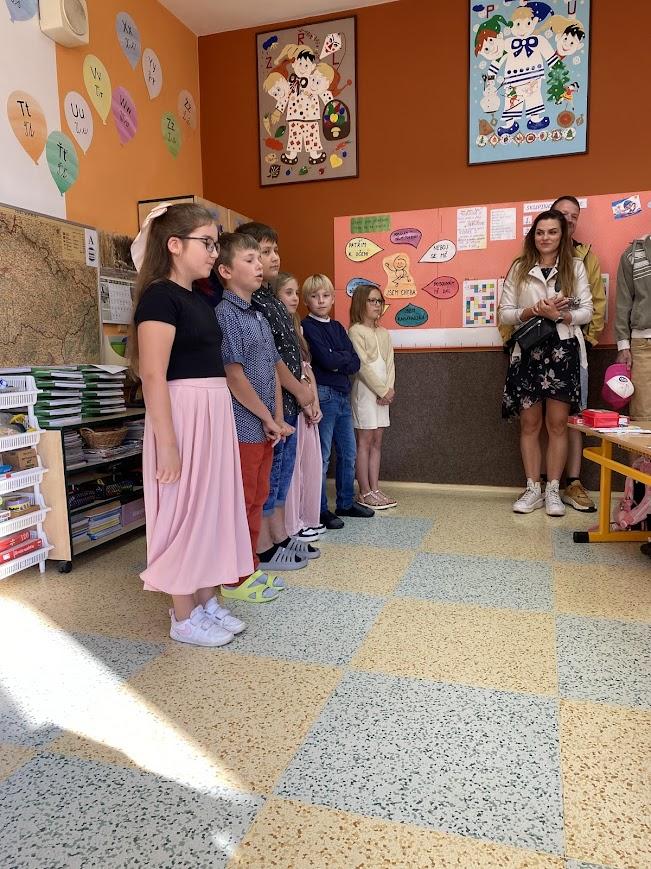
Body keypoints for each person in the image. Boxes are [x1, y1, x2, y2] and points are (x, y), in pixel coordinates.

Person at [130, 203, 251, 646]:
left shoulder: (198, 297)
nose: (214, 253)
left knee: (209, 509)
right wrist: (168, 444)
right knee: (182, 510)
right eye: (207, 243)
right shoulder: (159, 298)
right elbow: (153, 374)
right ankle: (183, 615)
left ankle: (205, 600)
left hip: (212, 412)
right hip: (183, 414)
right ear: (175, 245)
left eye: (216, 244)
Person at [235, 221, 319, 570]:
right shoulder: (253, 304)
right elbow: (273, 361)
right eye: (262, 252)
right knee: (266, 481)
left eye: (273, 251)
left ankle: (281, 534)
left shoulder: (270, 300)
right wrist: (298, 389)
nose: (271, 259)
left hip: (285, 405)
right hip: (270, 405)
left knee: (281, 476)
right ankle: (265, 545)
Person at [498, 209, 593, 516]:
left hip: (562, 350)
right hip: (528, 351)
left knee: (557, 424)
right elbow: (505, 314)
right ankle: (532, 488)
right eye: (540, 232)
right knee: (529, 423)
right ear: (533, 236)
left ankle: (553, 489)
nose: (545, 237)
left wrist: (560, 314)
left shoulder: (574, 267)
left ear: (562, 235)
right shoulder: (519, 267)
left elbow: (587, 311)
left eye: (552, 232)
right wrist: (532, 310)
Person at [215, 233, 291, 603]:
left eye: (258, 259)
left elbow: (273, 370)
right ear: (226, 271)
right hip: (243, 427)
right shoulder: (225, 314)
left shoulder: (259, 315)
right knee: (242, 501)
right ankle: (234, 577)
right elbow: (234, 376)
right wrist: (265, 417)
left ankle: (251, 567)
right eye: (249, 259)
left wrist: (276, 417)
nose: (259, 265)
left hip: (265, 427)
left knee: (259, 497)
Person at [301, 274, 375, 528]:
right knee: (322, 456)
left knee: (348, 452)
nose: (321, 301)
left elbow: (354, 362)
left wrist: (338, 359)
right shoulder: (308, 327)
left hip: (343, 394)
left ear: (333, 298)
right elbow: (327, 360)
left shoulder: (338, 327)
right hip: (324, 395)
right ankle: (320, 509)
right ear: (306, 300)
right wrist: (338, 358)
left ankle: (345, 503)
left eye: (325, 296)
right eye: (314, 296)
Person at [550, 195, 606, 512]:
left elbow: (596, 301)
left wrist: (591, 339)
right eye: (563, 213)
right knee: (540, 419)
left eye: (574, 215)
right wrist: (510, 340)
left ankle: (573, 483)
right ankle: (541, 484)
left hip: (574, 347)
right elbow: (511, 302)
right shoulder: (529, 256)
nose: (569, 219)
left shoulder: (585, 257)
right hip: (535, 352)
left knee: (572, 418)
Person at [274, 272, 325, 540]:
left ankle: (306, 516)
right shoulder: (275, 328)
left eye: (296, 293)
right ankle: (291, 523)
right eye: (288, 293)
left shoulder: (297, 327)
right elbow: (285, 372)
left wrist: (314, 401)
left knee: (309, 465)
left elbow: (307, 369)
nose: (294, 298)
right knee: (291, 470)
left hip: (306, 402)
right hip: (291, 404)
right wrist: (304, 401)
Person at [347, 284, 397, 510]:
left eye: (379, 301)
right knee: (364, 442)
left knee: (377, 441)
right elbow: (363, 366)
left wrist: (389, 389)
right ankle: (364, 491)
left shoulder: (384, 333)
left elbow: (390, 364)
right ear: (360, 303)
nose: (377, 305)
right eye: (372, 301)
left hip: (383, 394)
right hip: (366, 393)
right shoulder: (355, 331)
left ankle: (375, 488)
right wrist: (381, 390)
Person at [615, 232, 651, 420]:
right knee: (643, 416)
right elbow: (623, 301)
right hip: (644, 345)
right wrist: (623, 346)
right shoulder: (633, 254)